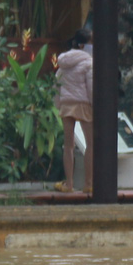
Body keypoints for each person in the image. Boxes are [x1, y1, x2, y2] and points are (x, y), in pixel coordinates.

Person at [54, 27, 94, 195]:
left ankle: (69, 185)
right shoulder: (89, 63)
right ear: (84, 45)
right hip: (83, 104)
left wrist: (58, 105)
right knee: (91, 144)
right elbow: (91, 87)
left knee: (68, 146)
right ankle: (88, 184)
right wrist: (95, 105)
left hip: (66, 104)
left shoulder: (63, 63)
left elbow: (56, 86)